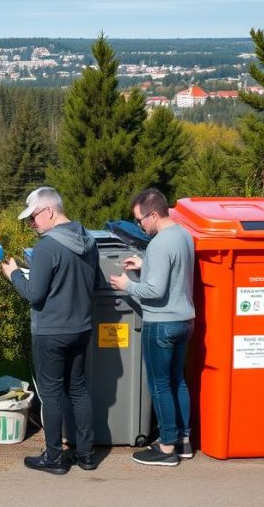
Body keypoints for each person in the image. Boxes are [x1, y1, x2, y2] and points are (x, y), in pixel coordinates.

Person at [0, 186, 102, 474]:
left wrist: (15, 274)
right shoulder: (89, 240)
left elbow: (35, 295)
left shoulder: (47, 247)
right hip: (81, 328)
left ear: (49, 211)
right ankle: (85, 455)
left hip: (51, 331)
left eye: (33, 218)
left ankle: (54, 458)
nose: (32, 225)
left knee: (52, 393)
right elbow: (95, 284)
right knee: (79, 390)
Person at [109, 188, 195, 467]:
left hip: (161, 323)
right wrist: (146, 265)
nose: (140, 226)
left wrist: (127, 285)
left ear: (154, 214)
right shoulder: (183, 235)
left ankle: (167, 448)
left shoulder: (158, 244)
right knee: (177, 381)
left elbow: (155, 290)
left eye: (140, 220)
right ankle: (183, 441)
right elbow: (172, 272)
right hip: (184, 321)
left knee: (159, 386)